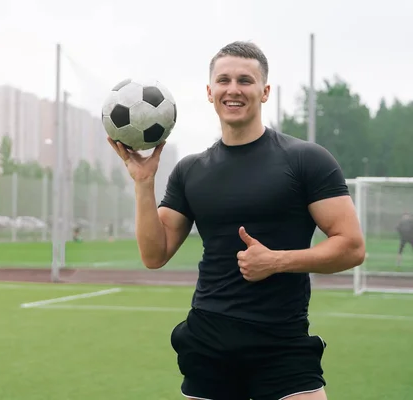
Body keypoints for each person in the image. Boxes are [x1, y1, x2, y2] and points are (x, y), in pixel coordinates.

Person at [108, 41, 365, 400]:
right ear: (210, 91)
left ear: (265, 92)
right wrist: (143, 182)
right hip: (207, 341)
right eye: (224, 80)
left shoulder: (307, 160)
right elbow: (155, 255)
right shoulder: (190, 170)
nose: (234, 89)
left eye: (245, 80)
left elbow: (352, 247)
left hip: (282, 343)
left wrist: (276, 261)